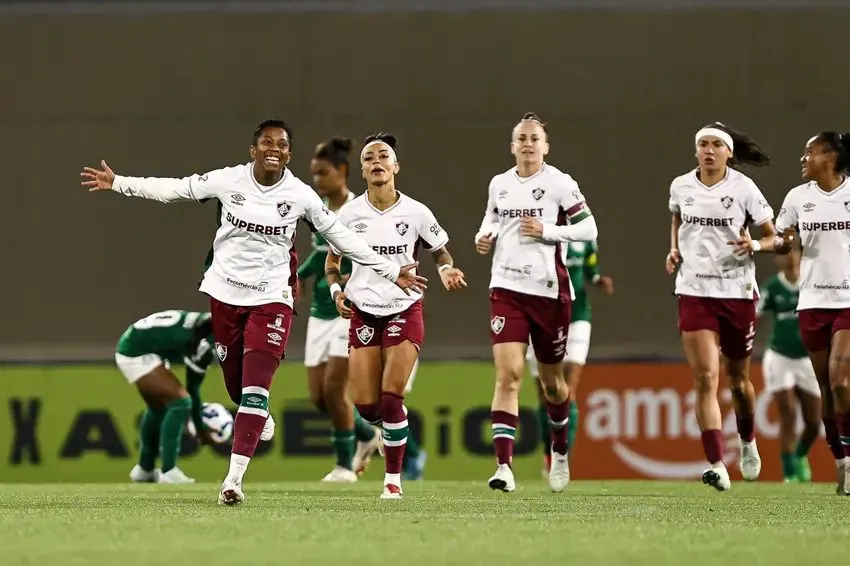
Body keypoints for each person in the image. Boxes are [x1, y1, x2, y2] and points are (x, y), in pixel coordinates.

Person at [81, 119, 426, 506]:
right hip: (225, 296)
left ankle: (233, 479)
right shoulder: (228, 181)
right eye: (267, 142)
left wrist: (392, 269)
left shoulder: (300, 194)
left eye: (281, 143)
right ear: (253, 150)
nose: (274, 148)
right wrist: (120, 182)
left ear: (288, 154)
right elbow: (175, 189)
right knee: (236, 387)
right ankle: (257, 410)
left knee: (255, 390)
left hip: (273, 298)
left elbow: (341, 237)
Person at [325, 133, 466, 499]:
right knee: (367, 406)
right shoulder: (349, 214)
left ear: (395, 167)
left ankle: (393, 481)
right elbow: (332, 263)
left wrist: (446, 270)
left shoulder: (417, 212)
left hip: (405, 309)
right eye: (369, 157)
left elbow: (441, 253)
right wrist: (336, 292)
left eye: (383, 156)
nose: (376, 161)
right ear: (362, 169)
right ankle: (388, 433)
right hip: (363, 313)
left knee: (391, 398)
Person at [474, 112, 599, 494]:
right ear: (512, 146)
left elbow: (589, 229)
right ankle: (504, 467)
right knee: (508, 375)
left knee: (553, 385)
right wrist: (484, 236)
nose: (528, 144)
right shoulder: (500, 184)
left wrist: (549, 232)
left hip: (549, 293)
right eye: (521, 138)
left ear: (545, 146)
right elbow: (491, 220)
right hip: (506, 289)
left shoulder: (560, 183)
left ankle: (559, 452)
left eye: (534, 139)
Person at [666, 121, 781, 492]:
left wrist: (758, 247)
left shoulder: (744, 189)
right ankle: (716, 462)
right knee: (704, 378)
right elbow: (677, 218)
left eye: (717, 144)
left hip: (735, 292)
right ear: (696, 150)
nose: (709, 150)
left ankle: (747, 439)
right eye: (703, 144)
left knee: (739, 381)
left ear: (729, 152)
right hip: (695, 290)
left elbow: (774, 235)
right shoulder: (681, 185)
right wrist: (674, 248)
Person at [297, 137, 381, 483]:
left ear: (343, 171)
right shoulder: (317, 209)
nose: (318, 180)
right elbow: (321, 254)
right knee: (318, 397)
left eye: (323, 173)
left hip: (349, 308)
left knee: (335, 388)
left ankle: (345, 466)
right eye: (314, 174)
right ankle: (367, 434)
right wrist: (298, 276)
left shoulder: (360, 210)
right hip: (320, 308)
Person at [774, 131, 850, 495]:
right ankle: (841, 461)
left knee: (841, 381)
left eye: (810, 152)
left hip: (848, 302)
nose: (803, 159)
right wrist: (776, 243)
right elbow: (780, 238)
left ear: (831, 156)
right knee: (826, 390)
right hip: (812, 302)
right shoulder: (797, 198)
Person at [527, 240, 613, 477]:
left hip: (577, 317)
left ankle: (561, 456)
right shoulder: (542, 231)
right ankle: (548, 452)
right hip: (541, 317)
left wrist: (597, 279)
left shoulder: (585, 236)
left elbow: (590, 269)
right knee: (546, 392)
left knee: (568, 389)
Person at [116, 309, 218, 484]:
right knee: (180, 402)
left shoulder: (201, 325)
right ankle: (168, 470)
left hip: (139, 345)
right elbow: (192, 389)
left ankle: (144, 469)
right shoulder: (202, 345)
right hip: (135, 351)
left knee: (158, 408)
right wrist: (200, 428)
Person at [756, 246, 820, 483]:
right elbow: (756, 316)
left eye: (794, 251)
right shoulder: (772, 287)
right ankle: (790, 472)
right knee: (788, 414)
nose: (790, 257)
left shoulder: (813, 284)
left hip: (807, 359)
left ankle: (800, 454)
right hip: (779, 357)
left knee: (814, 421)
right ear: (776, 259)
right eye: (783, 253)